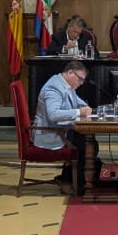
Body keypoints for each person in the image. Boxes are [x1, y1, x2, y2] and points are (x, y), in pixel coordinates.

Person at [34, 60, 92, 190]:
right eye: (80, 79)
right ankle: (78, 183)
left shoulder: (66, 84)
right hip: (50, 133)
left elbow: (76, 100)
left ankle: (73, 179)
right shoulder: (54, 87)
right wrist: (78, 112)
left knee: (90, 143)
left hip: (62, 130)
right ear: (70, 73)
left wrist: (84, 106)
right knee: (86, 145)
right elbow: (53, 115)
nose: (81, 83)